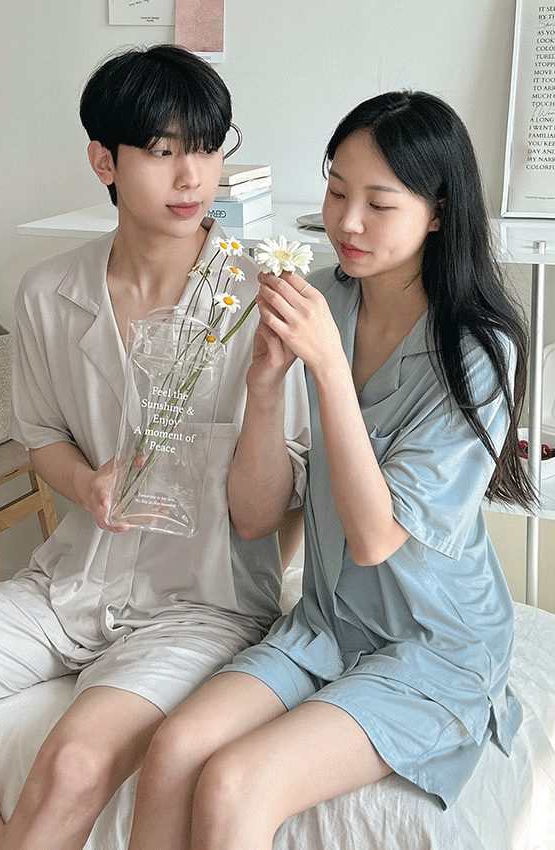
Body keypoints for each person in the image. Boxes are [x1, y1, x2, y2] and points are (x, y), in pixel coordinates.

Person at [0, 44, 309, 850]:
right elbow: (42, 436)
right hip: (68, 583)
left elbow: (269, 513)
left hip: (204, 605)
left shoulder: (258, 301)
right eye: (162, 151)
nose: (192, 177)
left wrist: (267, 388)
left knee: (72, 765)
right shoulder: (48, 292)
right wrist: (85, 484)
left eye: (207, 148)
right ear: (104, 160)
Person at [126, 90, 535, 850]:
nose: (347, 222)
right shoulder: (324, 298)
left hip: (434, 645)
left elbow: (376, 538)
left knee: (235, 781)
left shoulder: (480, 352)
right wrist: (264, 386)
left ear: (438, 213)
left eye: (379, 204)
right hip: (324, 623)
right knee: (175, 751)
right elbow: (255, 517)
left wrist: (327, 368)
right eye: (337, 192)